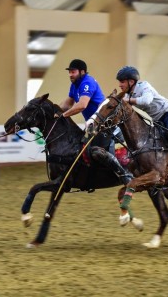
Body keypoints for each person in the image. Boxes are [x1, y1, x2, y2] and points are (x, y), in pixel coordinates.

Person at [60, 59, 141, 229]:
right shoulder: (75, 84)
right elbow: (67, 103)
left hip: (105, 125)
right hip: (93, 127)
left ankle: (124, 176)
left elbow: (81, 105)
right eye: (69, 72)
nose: (70, 74)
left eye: (73, 71)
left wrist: (63, 116)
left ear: (82, 71)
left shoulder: (87, 82)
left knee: (97, 153)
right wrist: (54, 112)